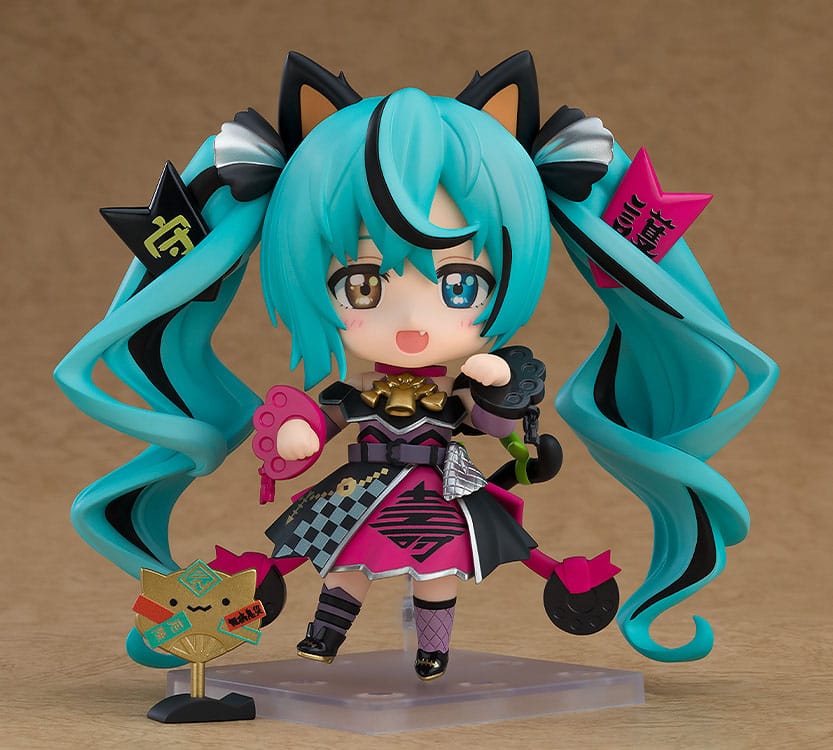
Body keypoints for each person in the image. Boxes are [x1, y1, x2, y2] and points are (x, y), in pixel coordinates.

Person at [55, 51, 777, 676]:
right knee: (343, 564)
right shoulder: (357, 393)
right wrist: (300, 434)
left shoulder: (461, 389)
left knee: (437, 576)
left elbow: (500, 431)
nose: (410, 323)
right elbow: (323, 416)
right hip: (364, 489)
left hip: (438, 492)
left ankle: (433, 655)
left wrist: (500, 400)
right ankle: (321, 640)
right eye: (362, 286)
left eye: (459, 285)